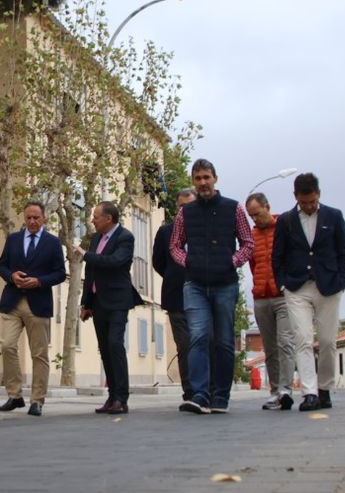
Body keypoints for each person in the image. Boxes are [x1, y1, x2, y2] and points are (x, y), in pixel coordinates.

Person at [169, 159, 253, 415]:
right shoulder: (185, 213)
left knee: (224, 341)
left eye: (206, 177)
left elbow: (248, 243)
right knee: (198, 337)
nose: (203, 182)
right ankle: (200, 395)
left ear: (215, 178)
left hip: (225, 284)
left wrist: (231, 262)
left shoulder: (234, 208)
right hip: (195, 284)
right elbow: (175, 246)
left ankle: (221, 396)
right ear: (193, 181)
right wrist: (188, 262)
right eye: (198, 178)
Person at [272, 172, 345, 412]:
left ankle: (324, 388)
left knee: (327, 341)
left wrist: (341, 281)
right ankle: (309, 393)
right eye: (304, 202)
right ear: (295, 196)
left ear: (319, 194)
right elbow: (277, 256)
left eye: (312, 201)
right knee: (303, 339)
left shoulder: (334, 216)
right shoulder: (285, 221)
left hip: (328, 286)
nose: (308, 206)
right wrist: (283, 283)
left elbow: (343, 252)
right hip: (297, 288)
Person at [0, 201, 66, 416]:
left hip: (38, 304)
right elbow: (2, 266)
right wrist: (11, 276)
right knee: (7, 346)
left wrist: (39, 281)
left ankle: (37, 400)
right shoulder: (13, 239)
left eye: (36, 217)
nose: (32, 221)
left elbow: (60, 273)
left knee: (39, 354)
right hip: (13, 302)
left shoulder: (53, 242)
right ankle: (14, 395)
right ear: (24, 219)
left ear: (44, 218)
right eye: (28, 218)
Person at [80, 201, 140, 415]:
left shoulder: (125, 237)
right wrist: (86, 303)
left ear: (108, 218)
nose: (92, 220)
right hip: (98, 301)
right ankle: (112, 395)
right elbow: (91, 272)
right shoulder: (96, 238)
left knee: (115, 344)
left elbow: (114, 261)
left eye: (96, 217)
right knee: (105, 348)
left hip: (117, 301)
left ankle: (122, 398)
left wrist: (86, 255)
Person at [245, 192, 294, 411]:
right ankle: (275, 392)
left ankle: (286, 389)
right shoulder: (251, 236)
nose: (255, 219)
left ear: (267, 207)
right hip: (261, 297)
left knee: (285, 342)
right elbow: (253, 265)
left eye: (258, 214)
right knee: (270, 347)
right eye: (251, 216)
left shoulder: (284, 228)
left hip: (283, 295)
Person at [151, 188, 197, 401]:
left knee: (205, 342)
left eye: (190, 206)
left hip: (203, 295)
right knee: (185, 345)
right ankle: (190, 391)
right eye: (182, 207)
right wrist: (174, 275)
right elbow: (158, 262)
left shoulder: (205, 229)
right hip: (176, 296)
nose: (186, 211)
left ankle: (208, 388)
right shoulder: (165, 232)